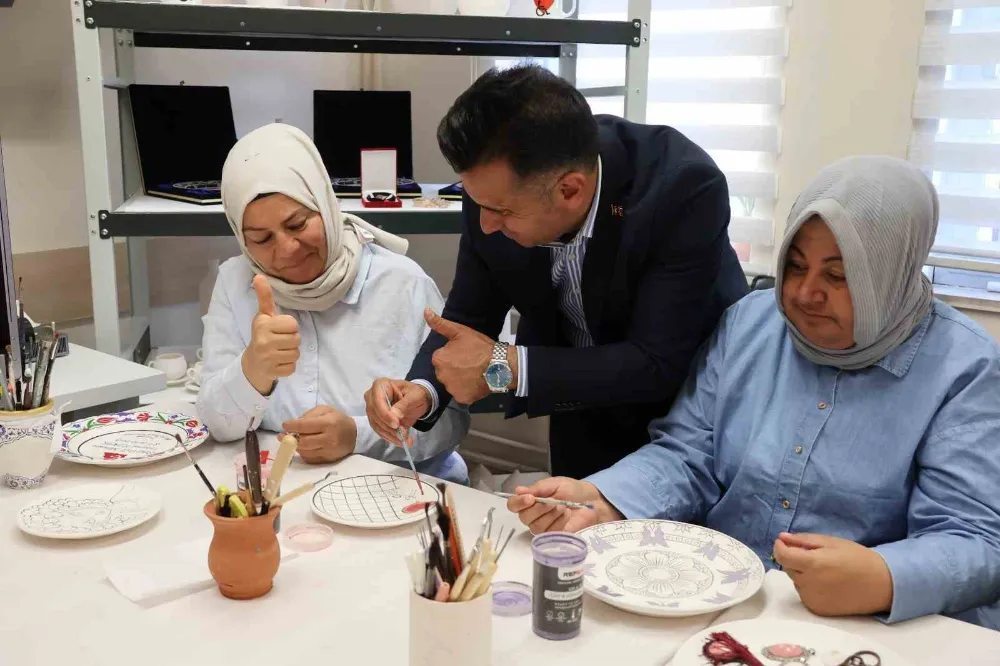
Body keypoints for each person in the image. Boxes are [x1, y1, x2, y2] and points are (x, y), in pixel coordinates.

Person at [506, 156, 1000, 629]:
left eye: (837, 274)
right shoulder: (751, 323)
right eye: (795, 265)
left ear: (892, 272)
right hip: (727, 605)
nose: (805, 293)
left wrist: (883, 577)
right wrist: (605, 497)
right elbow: (689, 454)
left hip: (870, 628)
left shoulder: (963, 368)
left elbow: (976, 539)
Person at [365, 64, 748, 479]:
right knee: (575, 536)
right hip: (577, 406)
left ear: (570, 190)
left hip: (686, 420)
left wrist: (506, 367)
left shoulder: (682, 189)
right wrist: (420, 391)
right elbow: (469, 316)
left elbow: (657, 362)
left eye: (501, 211)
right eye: (478, 203)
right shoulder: (496, 190)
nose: (485, 225)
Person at [197, 123, 470, 483]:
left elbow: (451, 420)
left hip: (398, 488)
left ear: (324, 205)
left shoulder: (401, 283)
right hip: (287, 489)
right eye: (260, 238)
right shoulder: (237, 283)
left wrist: (357, 436)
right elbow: (216, 423)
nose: (287, 250)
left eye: (297, 224)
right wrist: (253, 370)